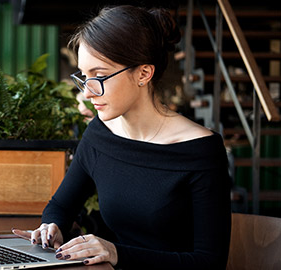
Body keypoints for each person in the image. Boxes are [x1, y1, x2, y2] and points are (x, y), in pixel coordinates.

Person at [13, 5, 232, 270]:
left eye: (100, 76)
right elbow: (60, 204)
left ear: (143, 73)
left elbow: (209, 262)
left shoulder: (200, 151)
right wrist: (52, 227)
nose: (87, 92)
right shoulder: (100, 134)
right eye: (83, 77)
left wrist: (116, 253)